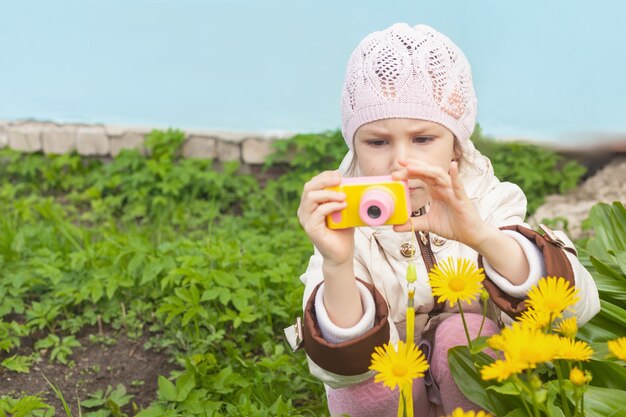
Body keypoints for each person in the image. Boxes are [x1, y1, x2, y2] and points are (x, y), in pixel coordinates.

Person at [293, 23, 600, 416]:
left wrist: (482, 236)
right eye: (377, 141)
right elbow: (341, 371)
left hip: (471, 396)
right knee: (372, 379)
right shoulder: (348, 227)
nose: (401, 161)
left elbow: (574, 308)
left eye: (423, 139)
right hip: (389, 396)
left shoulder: (488, 200)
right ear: (354, 148)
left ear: (456, 147)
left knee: (462, 336)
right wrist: (336, 263)